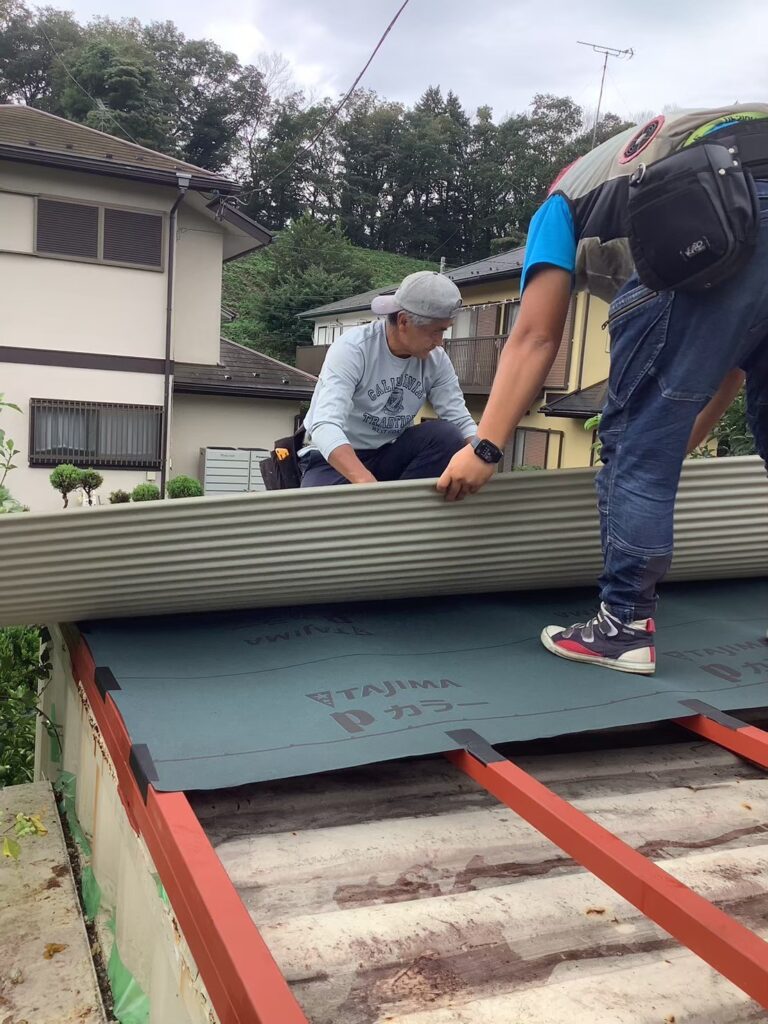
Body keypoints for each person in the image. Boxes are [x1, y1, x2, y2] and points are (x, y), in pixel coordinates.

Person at [436, 105, 768, 675]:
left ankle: (622, 627)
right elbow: (732, 352)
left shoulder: (557, 207)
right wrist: (683, 436)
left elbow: (536, 336)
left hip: (729, 206)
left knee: (633, 446)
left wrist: (485, 446)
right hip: (742, 193)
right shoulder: (654, 164)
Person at [299, 271, 478, 486]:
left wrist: (485, 455)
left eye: (444, 331)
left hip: (389, 452)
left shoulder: (435, 359)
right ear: (403, 321)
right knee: (320, 515)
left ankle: (406, 514)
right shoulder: (354, 349)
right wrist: (367, 483)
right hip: (335, 458)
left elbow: (459, 419)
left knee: (446, 435)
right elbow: (324, 425)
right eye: (435, 332)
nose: (440, 342)